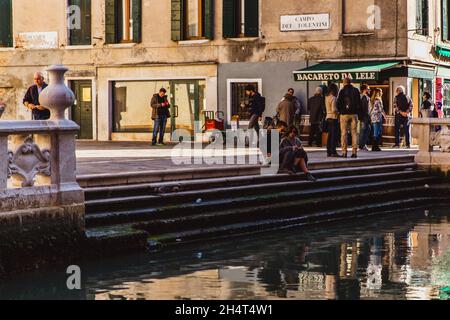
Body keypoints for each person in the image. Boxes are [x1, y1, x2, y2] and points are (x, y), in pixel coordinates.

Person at [337, 77, 361, 158]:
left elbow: (338, 103)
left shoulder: (342, 91)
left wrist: (341, 111)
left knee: (343, 134)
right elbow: (359, 102)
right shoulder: (356, 90)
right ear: (351, 82)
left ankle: (344, 152)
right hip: (354, 114)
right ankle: (354, 152)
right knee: (354, 133)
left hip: (344, 115)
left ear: (344, 82)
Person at [325, 83, 340, 157]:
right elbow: (334, 109)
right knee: (334, 136)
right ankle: (333, 151)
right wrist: (338, 113)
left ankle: (328, 151)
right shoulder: (333, 98)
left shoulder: (326, 97)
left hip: (328, 117)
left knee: (330, 135)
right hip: (333, 117)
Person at [359, 84, 371, 151]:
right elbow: (365, 109)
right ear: (365, 89)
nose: (369, 90)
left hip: (364, 117)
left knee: (367, 129)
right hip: (365, 117)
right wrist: (366, 117)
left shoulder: (364, 97)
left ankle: (363, 144)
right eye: (368, 89)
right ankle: (361, 145)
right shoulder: (364, 97)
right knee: (364, 131)